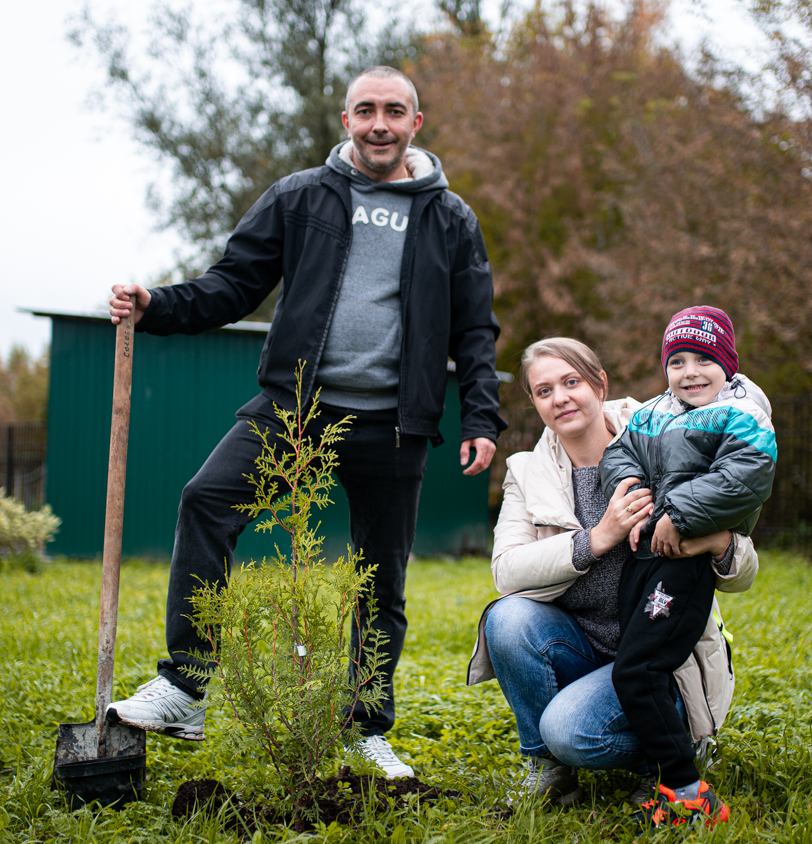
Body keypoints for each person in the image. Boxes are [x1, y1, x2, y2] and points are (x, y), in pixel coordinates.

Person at [104, 65, 506, 778]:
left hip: (394, 427)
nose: (378, 123)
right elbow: (233, 284)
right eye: (364, 110)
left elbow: (474, 329)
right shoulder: (301, 197)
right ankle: (186, 686)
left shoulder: (450, 218)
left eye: (393, 111)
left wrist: (481, 415)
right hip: (296, 410)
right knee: (206, 500)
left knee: (380, 580)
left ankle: (365, 729)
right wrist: (154, 304)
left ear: (417, 123)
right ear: (345, 120)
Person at [465, 337, 758, 814]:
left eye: (571, 381)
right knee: (507, 618)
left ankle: (664, 762)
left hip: (658, 660)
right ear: (535, 403)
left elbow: (744, 570)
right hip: (583, 649)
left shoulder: (668, 431)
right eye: (543, 391)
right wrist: (597, 538)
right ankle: (552, 773)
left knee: (569, 732)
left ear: (600, 383)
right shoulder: (527, 470)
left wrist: (717, 542)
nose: (559, 398)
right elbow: (506, 571)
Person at [598, 306, 776, 827]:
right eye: (678, 361)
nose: (690, 371)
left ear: (727, 363)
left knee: (639, 669)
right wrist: (635, 499)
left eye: (703, 358)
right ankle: (661, 776)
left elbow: (744, 475)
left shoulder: (742, 413)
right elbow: (618, 455)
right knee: (636, 661)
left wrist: (677, 515)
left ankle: (687, 790)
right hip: (644, 554)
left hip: (685, 562)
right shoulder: (654, 411)